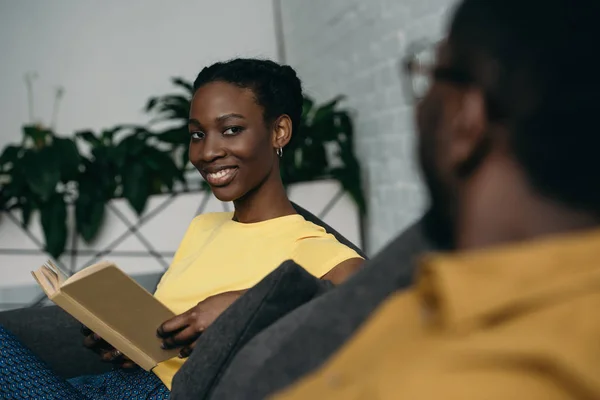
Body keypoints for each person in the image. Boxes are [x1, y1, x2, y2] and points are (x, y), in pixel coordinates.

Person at [272, 0, 600, 398]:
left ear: (466, 118)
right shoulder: (442, 292)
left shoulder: (501, 380)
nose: (422, 103)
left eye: (431, 76)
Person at [0, 59, 364, 400]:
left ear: (279, 131)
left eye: (231, 130)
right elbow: (165, 340)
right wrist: (122, 341)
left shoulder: (314, 246)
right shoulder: (204, 227)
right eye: (197, 135)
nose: (207, 152)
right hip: (107, 388)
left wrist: (246, 306)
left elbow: (373, 302)